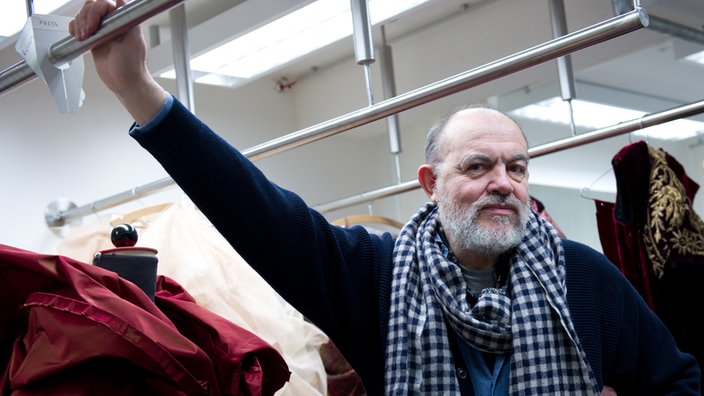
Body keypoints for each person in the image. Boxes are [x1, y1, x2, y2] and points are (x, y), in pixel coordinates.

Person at [69, 1, 701, 394]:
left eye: (517, 166)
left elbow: (680, 381)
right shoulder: (376, 276)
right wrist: (136, 88)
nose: (503, 181)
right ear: (430, 185)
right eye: (478, 165)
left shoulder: (582, 281)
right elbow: (257, 212)